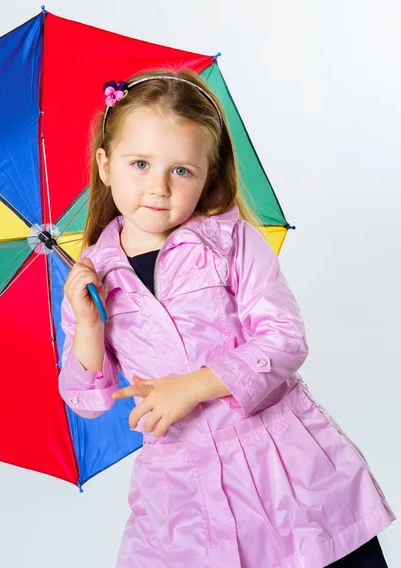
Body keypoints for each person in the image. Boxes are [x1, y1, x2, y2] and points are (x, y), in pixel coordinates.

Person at [58, 68, 395, 567]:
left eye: (181, 171)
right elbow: (87, 397)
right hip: (180, 493)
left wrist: (192, 385)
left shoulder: (231, 244)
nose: (158, 187)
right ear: (105, 165)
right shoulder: (93, 277)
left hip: (283, 470)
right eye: (140, 164)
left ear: (207, 177)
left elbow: (283, 338)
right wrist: (89, 324)